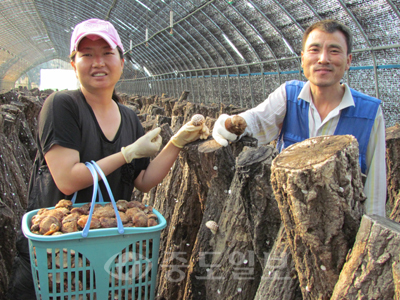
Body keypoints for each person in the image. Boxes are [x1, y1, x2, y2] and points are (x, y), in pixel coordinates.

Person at [7, 18, 209, 299]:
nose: (97, 62)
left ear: (121, 63)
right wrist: (127, 153)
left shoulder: (127, 117)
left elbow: (144, 180)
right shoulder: (62, 106)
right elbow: (67, 180)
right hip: (55, 256)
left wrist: (176, 143)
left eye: (106, 53)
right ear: (73, 63)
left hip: (107, 255)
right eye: (86, 54)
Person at [213, 19, 386, 217]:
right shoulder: (289, 95)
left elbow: (375, 186)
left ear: (348, 61)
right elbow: (257, 119)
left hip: (342, 227)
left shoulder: (370, 112)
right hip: (287, 221)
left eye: (334, 51)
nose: (323, 58)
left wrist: (370, 234)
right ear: (303, 59)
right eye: (314, 50)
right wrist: (230, 124)